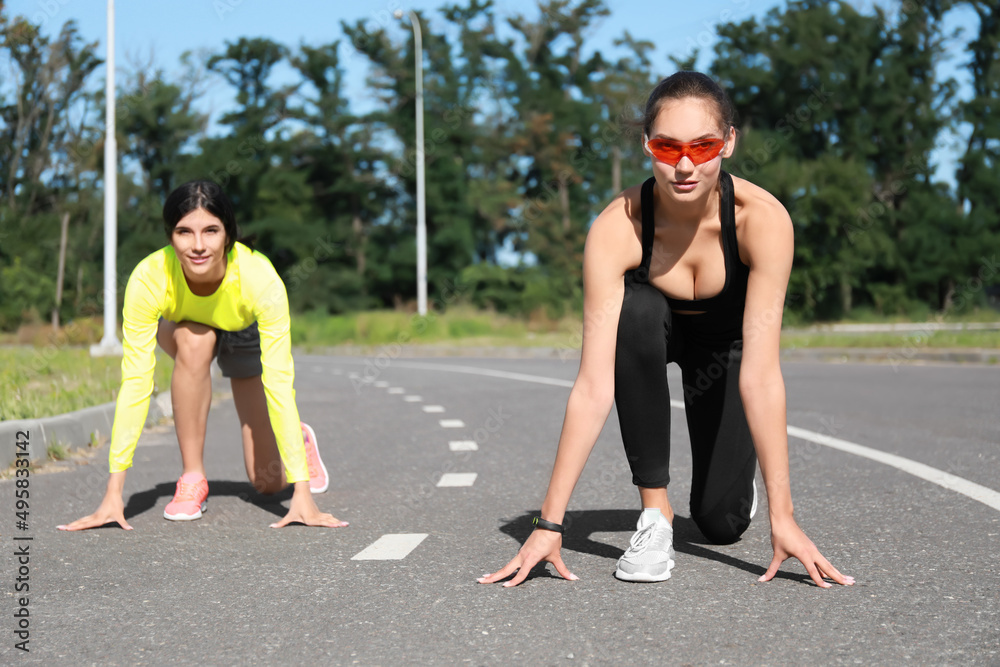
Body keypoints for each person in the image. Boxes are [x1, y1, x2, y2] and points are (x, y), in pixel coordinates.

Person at [479, 72, 854, 588]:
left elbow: (763, 377)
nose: (683, 165)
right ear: (646, 145)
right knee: (636, 310)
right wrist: (549, 524)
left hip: (726, 353)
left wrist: (782, 516)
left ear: (729, 143)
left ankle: (729, 473)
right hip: (651, 333)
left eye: (702, 147)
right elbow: (592, 386)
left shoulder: (761, 220)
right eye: (666, 146)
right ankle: (654, 514)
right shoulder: (618, 226)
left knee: (720, 524)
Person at [59, 180, 346, 531]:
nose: (198, 245)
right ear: (170, 236)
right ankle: (193, 477)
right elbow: (135, 382)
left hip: (243, 332)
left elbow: (280, 383)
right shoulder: (148, 278)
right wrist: (113, 492)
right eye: (184, 232)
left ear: (228, 235)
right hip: (186, 330)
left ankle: (298, 441)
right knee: (196, 340)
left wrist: (302, 492)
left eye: (211, 231)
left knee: (267, 483)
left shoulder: (261, 279)